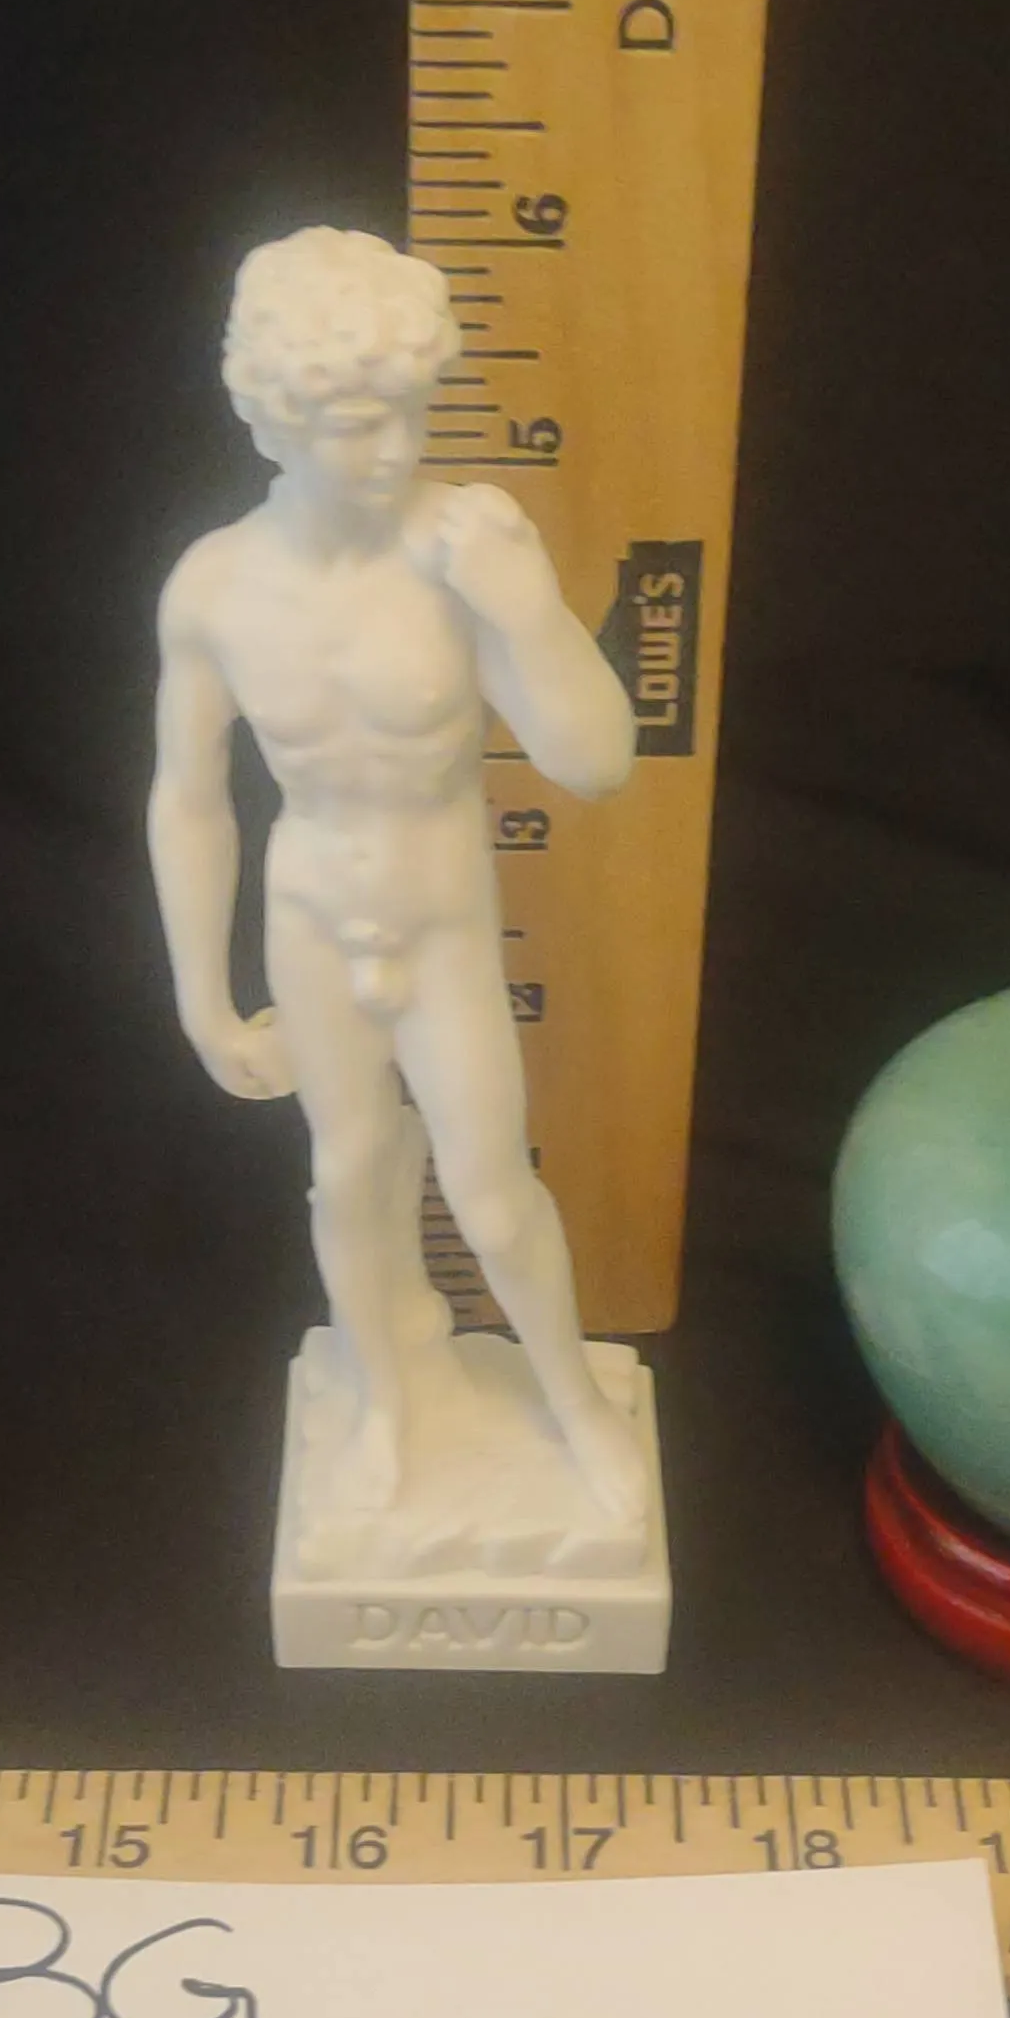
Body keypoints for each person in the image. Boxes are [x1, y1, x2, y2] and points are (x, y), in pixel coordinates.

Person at [147, 228, 644, 1524]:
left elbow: (595, 762)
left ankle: (577, 1406)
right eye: (361, 424)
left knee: (489, 1191)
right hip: (311, 920)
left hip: (439, 927)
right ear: (276, 423)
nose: (398, 448)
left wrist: (529, 608)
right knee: (350, 1173)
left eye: (414, 412)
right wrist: (202, 995)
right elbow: (190, 797)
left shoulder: (458, 552)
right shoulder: (214, 589)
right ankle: (385, 1402)